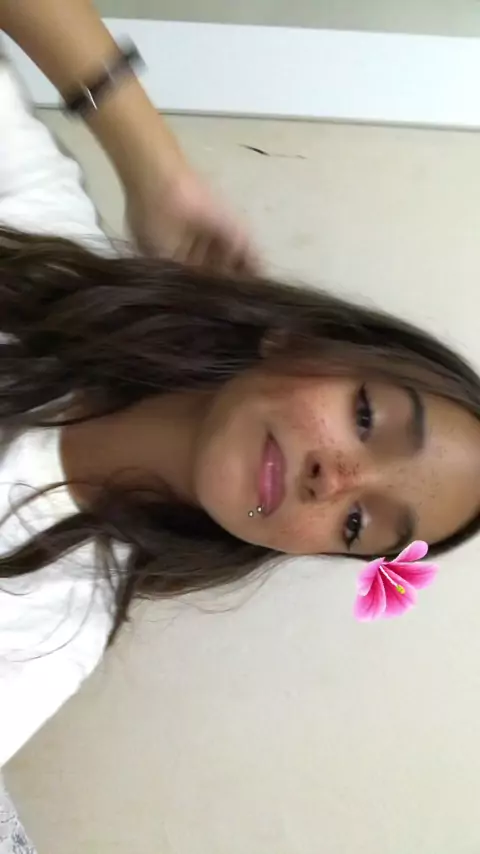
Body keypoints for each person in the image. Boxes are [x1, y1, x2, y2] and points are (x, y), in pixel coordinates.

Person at [1, 20, 480, 769]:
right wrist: (157, 170)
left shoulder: (47, 633)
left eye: (357, 523)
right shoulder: (42, 239)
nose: (335, 479)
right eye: (365, 417)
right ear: (300, 341)